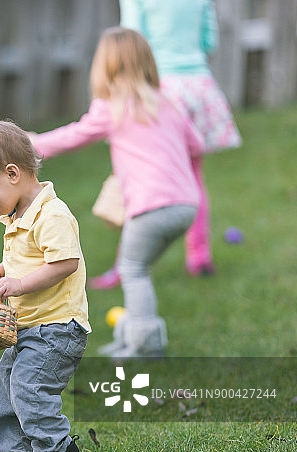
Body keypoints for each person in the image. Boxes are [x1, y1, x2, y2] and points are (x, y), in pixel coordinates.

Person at [31, 27, 205, 359]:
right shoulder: (168, 102)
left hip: (151, 208)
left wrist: (34, 143)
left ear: (105, 68)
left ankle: (145, 345)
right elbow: (196, 144)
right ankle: (131, 336)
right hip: (185, 204)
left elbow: (74, 135)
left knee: (133, 271)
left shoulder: (111, 107)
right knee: (138, 267)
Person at [0, 119, 90, 452]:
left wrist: (18, 285)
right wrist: (4, 270)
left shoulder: (52, 214)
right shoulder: (17, 217)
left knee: (29, 387)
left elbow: (64, 263)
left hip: (58, 327)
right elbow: (29, 258)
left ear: (12, 173)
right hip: (28, 327)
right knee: (6, 388)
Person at [89, 0, 242, 287]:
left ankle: (126, 266)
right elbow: (210, 40)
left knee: (139, 176)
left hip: (157, 88)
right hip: (198, 85)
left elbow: (131, 40)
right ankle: (199, 257)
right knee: (193, 175)